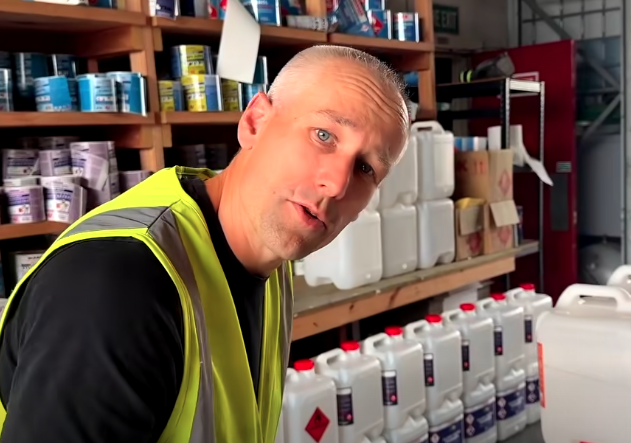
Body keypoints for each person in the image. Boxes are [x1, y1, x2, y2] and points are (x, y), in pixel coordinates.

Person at [0, 45, 409, 443]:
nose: (336, 184)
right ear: (255, 122)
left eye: (365, 168)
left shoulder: (269, 255)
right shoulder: (115, 289)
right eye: (324, 135)